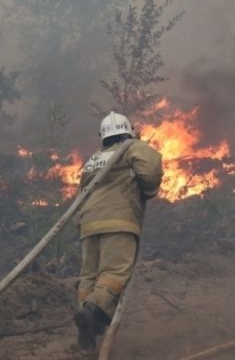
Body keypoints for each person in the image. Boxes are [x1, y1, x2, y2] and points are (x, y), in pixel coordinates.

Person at [73, 111, 163, 349]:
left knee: (89, 277)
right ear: (128, 131)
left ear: (103, 136)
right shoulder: (131, 147)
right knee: (114, 273)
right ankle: (93, 312)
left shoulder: (94, 159)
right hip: (119, 220)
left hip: (89, 224)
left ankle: (86, 328)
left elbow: (82, 192)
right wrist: (147, 189)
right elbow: (150, 170)